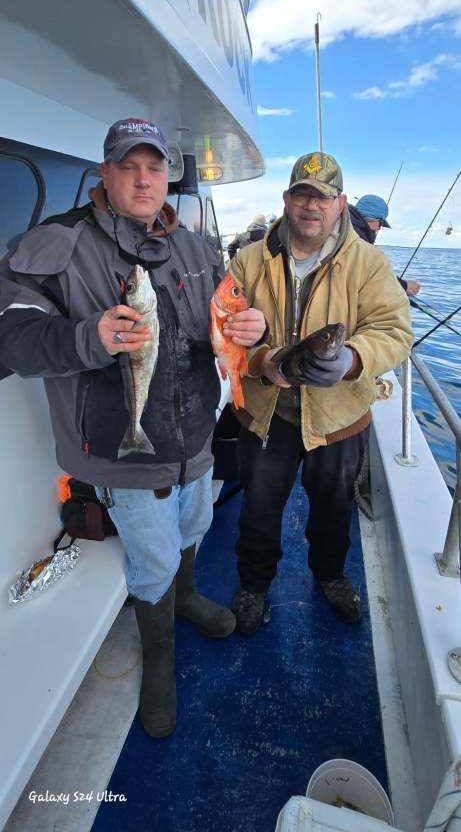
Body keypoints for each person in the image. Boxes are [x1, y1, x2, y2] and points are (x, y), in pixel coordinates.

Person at [0, 118, 266, 738]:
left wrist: (244, 328)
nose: (145, 180)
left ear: (168, 176)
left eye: (155, 168)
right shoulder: (53, 245)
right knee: (151, 561)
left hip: (196, 440)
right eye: (129, 167)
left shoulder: (197, 248)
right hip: (125, 453)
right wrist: (84, 337)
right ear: (104, 174)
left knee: (195, 525)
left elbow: (220, 319)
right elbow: (9, 336)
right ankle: (160, 658)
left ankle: (192, 594)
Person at [228, 152, 412, 635]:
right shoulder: (248, 261)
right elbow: (223, 336)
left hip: (337, 418)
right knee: (259, 508)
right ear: (287, 200)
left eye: (323, 197)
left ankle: (330, 576)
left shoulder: (370, 263)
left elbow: (393, 331)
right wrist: (263, 361)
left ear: (340, 203)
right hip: (267, 413)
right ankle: (253, 585)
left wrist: (352, 359)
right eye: (303, 195)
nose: (312, 206)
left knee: (333, 508)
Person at [349, 194, 421, 297]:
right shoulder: (356, 239)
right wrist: (404, 286)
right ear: (373, 219)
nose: (378, 229)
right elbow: (372, 276)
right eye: (381, 224)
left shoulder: (346, 229)